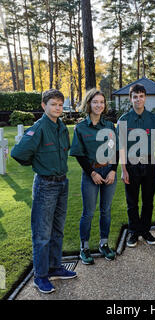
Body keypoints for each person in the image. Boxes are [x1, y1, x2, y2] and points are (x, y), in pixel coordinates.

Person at [11, 89, 77, 294]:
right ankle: (40, 276)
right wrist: (38, 163)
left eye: (60, 104)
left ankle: (55, 267)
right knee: (42, 233)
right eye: (53, 104)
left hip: (62, 183)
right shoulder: (39, 128)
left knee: (57, 229)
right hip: (45, 185)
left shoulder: (61, 128)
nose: (57, 108)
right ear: (43, 105)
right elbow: (18, 153)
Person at [70, 89, 118, 264]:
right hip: (91, 173)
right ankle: (84, 248)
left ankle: (104, 244)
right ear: (88, 103)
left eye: (102, 102)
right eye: (95, 102)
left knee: (106, 211)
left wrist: (113, 170)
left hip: (109, 172)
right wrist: (92, 173)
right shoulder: (81, 127)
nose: (99, 105)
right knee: (88, 212)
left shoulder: (109, 126)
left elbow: (116, 150)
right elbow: (79, 154)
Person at [117, 83, 155, 248]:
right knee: (132, 201)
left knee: (148, 199)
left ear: (145, 98)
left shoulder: (154, 119)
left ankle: (145, 230)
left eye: (141, 96)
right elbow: (121, 147)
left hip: (149, 163)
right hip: (131, 164)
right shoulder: (123, 120)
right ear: (130, 99)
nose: (138, 99)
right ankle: (134, 231)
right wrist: (123, 170)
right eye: (135, 96)